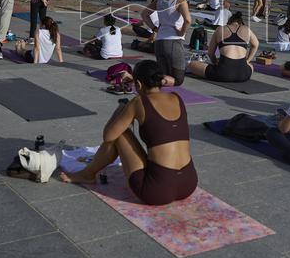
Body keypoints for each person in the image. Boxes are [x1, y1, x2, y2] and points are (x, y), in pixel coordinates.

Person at [60, 60, 198, 206]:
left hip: (157, 191)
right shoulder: (176, 98)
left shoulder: (139, 102)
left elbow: (108, 136)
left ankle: (87, 174)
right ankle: (88, 173)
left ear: (138, 84)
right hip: (188, 183)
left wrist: (121, 108)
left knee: (119, 134)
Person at [143, 0, 191, 86]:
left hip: (159, 41)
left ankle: (146, 82)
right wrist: (181, 32)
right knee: (178, 79)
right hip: (174, 41)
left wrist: (154, 28)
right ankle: (148, 82)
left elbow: (144, 14)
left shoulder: (159, 0)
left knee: (164, 75)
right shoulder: (180, 1)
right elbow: (188, 20)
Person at [187, 10, 258, 82]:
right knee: (251, 66)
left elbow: (210, 53)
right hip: (244, 74)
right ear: (241, 23)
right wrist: (248, 60)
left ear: (228, 22)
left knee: (192, 64)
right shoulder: (246, 29)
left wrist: (215, 63)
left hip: (223, 74)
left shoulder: (220, 29)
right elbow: (256, 45)